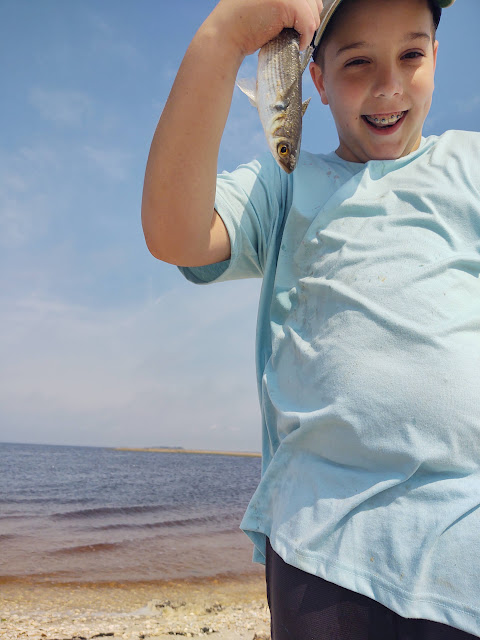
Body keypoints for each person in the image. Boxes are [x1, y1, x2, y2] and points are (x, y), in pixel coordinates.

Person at [142, 0, 480, 637]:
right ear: (315, 82)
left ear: (436, 56)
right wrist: (224, 35)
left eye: (411, 54)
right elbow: (173, 233)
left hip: (465, 543)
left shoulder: (471, 165)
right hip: (321, 540)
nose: (388, 85)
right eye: (357, 63)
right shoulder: (287, 181)